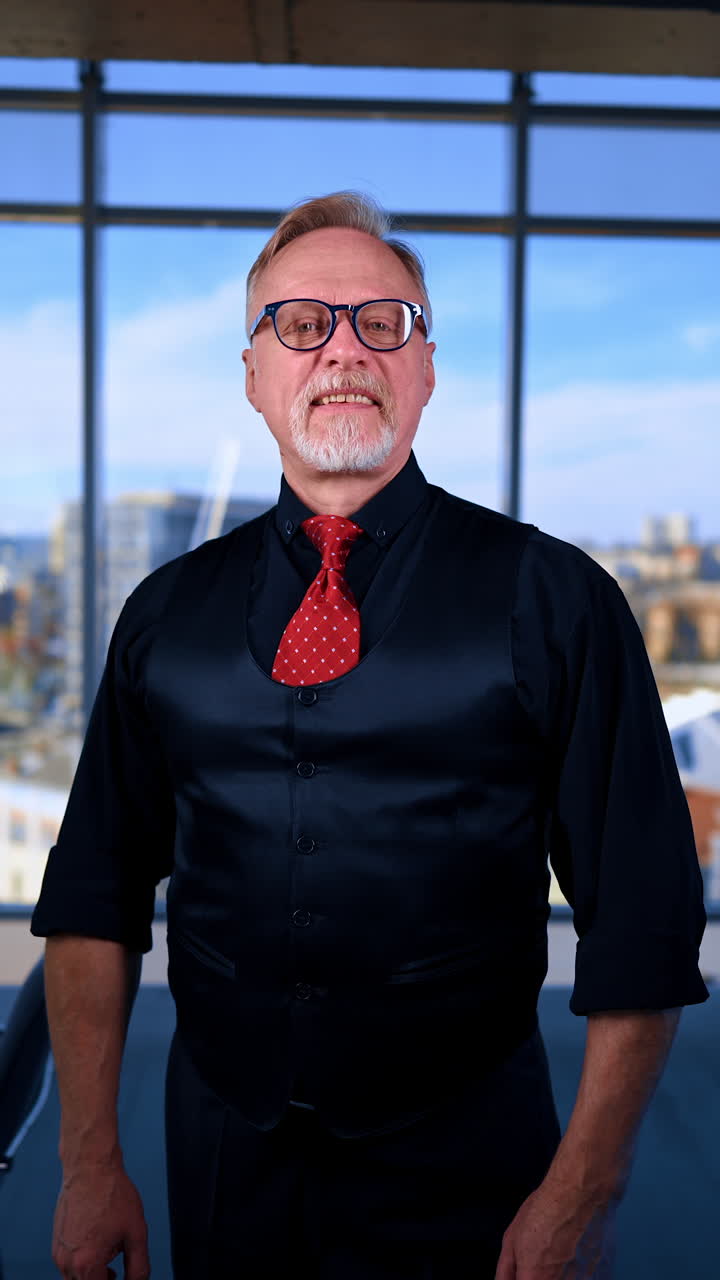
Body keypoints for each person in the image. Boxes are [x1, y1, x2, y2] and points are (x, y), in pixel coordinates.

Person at [32, 191, 707, 1280]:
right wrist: (87, 1160)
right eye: (302, 324)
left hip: (474, 1162)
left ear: (426, 366)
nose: (343, 349)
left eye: (381, 322)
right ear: (254, 375)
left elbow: (643, 919)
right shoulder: (162, 611)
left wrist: (584, 1190)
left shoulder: (559, 599)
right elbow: (93, 895)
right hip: (218, 1151)